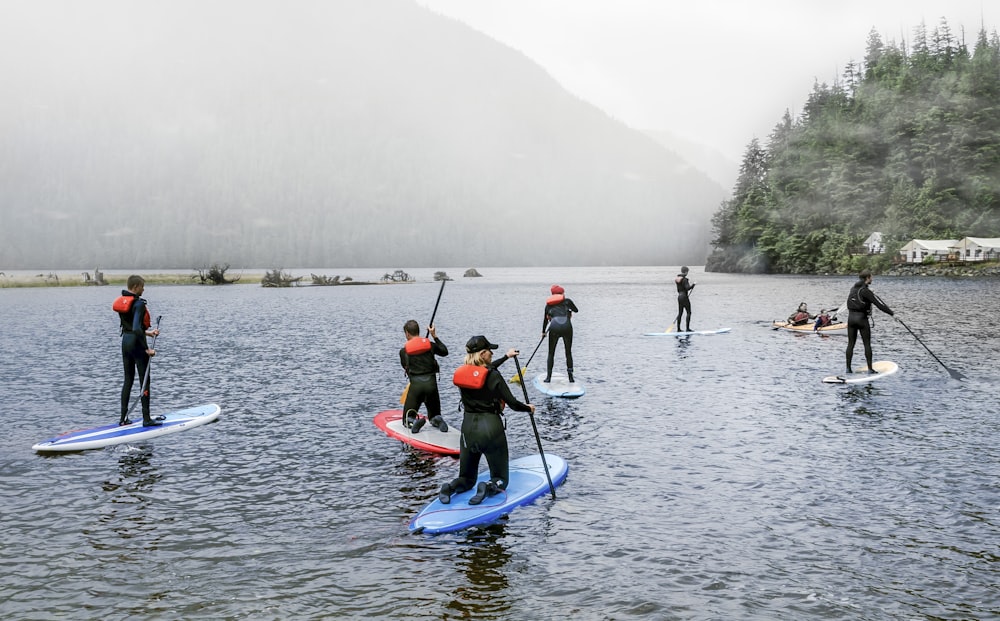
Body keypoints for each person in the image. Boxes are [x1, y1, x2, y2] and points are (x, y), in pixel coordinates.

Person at [438, 336, 535, 506]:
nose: (491, 353)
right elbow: (512, 403)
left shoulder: (463, 374)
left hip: (468, 430)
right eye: (490, 351)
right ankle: (488, 486)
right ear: (483, 354)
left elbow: (483, 371)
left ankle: (449, 487)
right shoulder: (494, 376)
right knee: (501, 478)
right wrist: (529, 408)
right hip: (491, 430)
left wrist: (506, 356)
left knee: (466, 478)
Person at [113, 275, 161, 426]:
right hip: (137, 344)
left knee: (128, 380)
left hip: (125, 342)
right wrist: (147, 349)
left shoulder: (125, 301)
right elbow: (136, 328)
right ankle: (146, 419)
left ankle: (123, 419)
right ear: (135, 287)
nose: (143, 289)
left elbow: (130, 328)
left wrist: (148, 332)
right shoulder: (139, 304)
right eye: (142, 286)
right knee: (144, 381)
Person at [398, 320, 449, 433]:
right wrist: (434, 336)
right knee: (435, 414)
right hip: (432, 386)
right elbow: (445, 351)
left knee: (407, 419)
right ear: (418, 331)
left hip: (416, 387)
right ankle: (437, 420)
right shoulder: (430, 345)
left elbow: (405, 367)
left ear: (407, 333)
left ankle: (414, 422)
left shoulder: (403, 351)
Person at [845, 270, 894, 373]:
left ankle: (848, 369)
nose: (872, 279)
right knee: (867, 344)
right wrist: (892, 314)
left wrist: (870, 293)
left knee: (850, 344)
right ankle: (870, 369)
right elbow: (879, 305)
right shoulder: (865, 291)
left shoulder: (853, 289)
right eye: (871, 277)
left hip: (851, 319)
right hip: (861, 319)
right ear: (867, 278)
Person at [542, 285, 579, 383]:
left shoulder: (548, 305)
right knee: (568, 352)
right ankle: (570, 377)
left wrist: (543, 332)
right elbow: (576, 310)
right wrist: (569, 310)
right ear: (562, 293)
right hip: (567, 326)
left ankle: (548, 378)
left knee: (551, 353)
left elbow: (545, 320)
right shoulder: (568, 301)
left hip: (554, 327)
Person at [673, 266, 695, 332]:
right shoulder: (685, 279)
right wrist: (693, 285)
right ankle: (687, 329)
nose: (687, 273)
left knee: (680, 313)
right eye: (687, 272)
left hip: (679, 297)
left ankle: (678, 329)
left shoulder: (677, 279)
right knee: (688, 312)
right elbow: (687, 288)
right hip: (684, 297)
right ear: (686, 272)